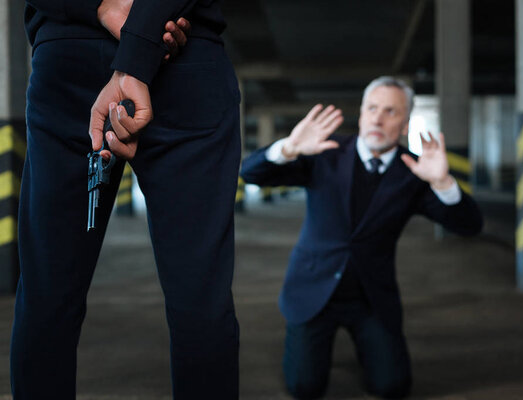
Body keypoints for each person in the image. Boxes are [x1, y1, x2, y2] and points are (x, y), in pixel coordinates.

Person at [12, 1, 240, 399]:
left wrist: (102, 9)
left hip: (69, 56)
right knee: (199, 296)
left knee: (48, 293)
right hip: (180, 50)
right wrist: (140, 36)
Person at [240, 76, 483, 399]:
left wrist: (443, 183)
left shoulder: (413, 172)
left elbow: (469, 226)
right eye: (372, 109)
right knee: (304, 388)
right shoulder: (325, 152)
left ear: (406, 122)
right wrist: (288, 148)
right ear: (362, 113)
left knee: (392, 387)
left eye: (390, 111)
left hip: (371, 298)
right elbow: (250, 173)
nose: (378, 118)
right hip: (312, 290)